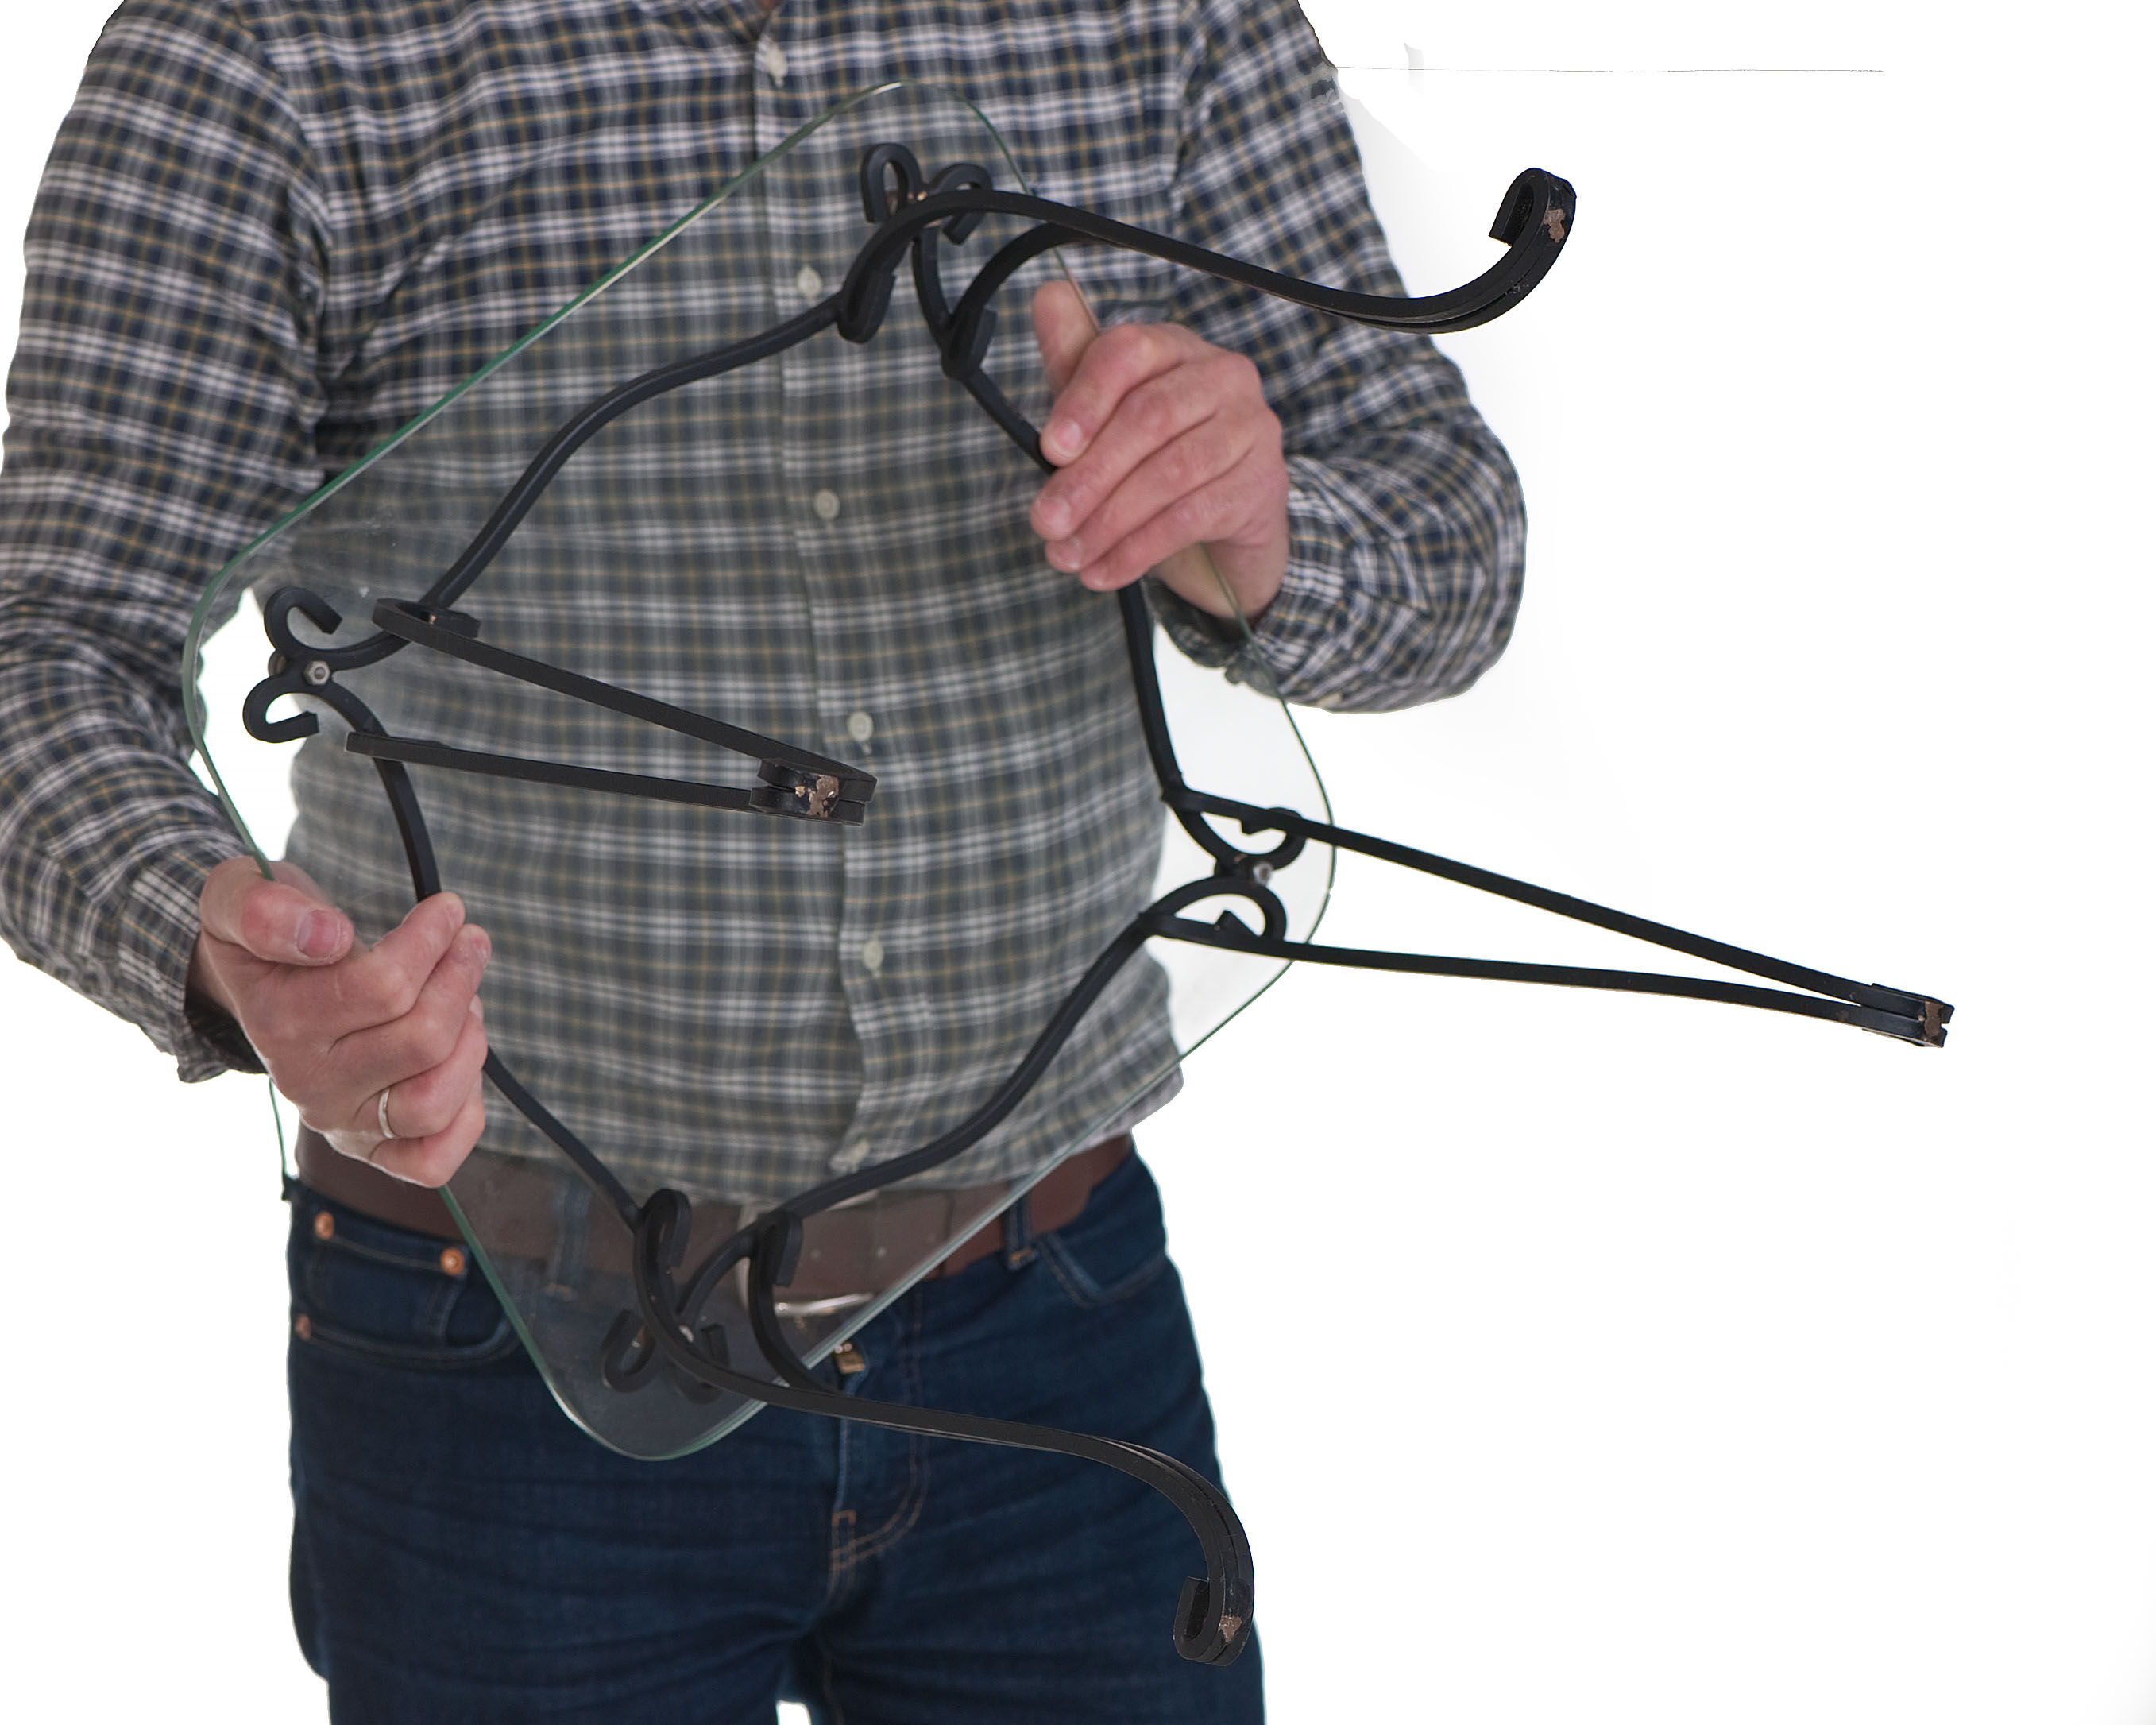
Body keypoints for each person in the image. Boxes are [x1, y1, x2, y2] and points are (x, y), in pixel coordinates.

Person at [0, 1, 1524, 1719]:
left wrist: (1264, 527)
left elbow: (1449, 537)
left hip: (1049, 1300)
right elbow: (41, 649)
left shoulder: (1157, 16)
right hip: (497, 1332)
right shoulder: (268, 50)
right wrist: (223, 947)